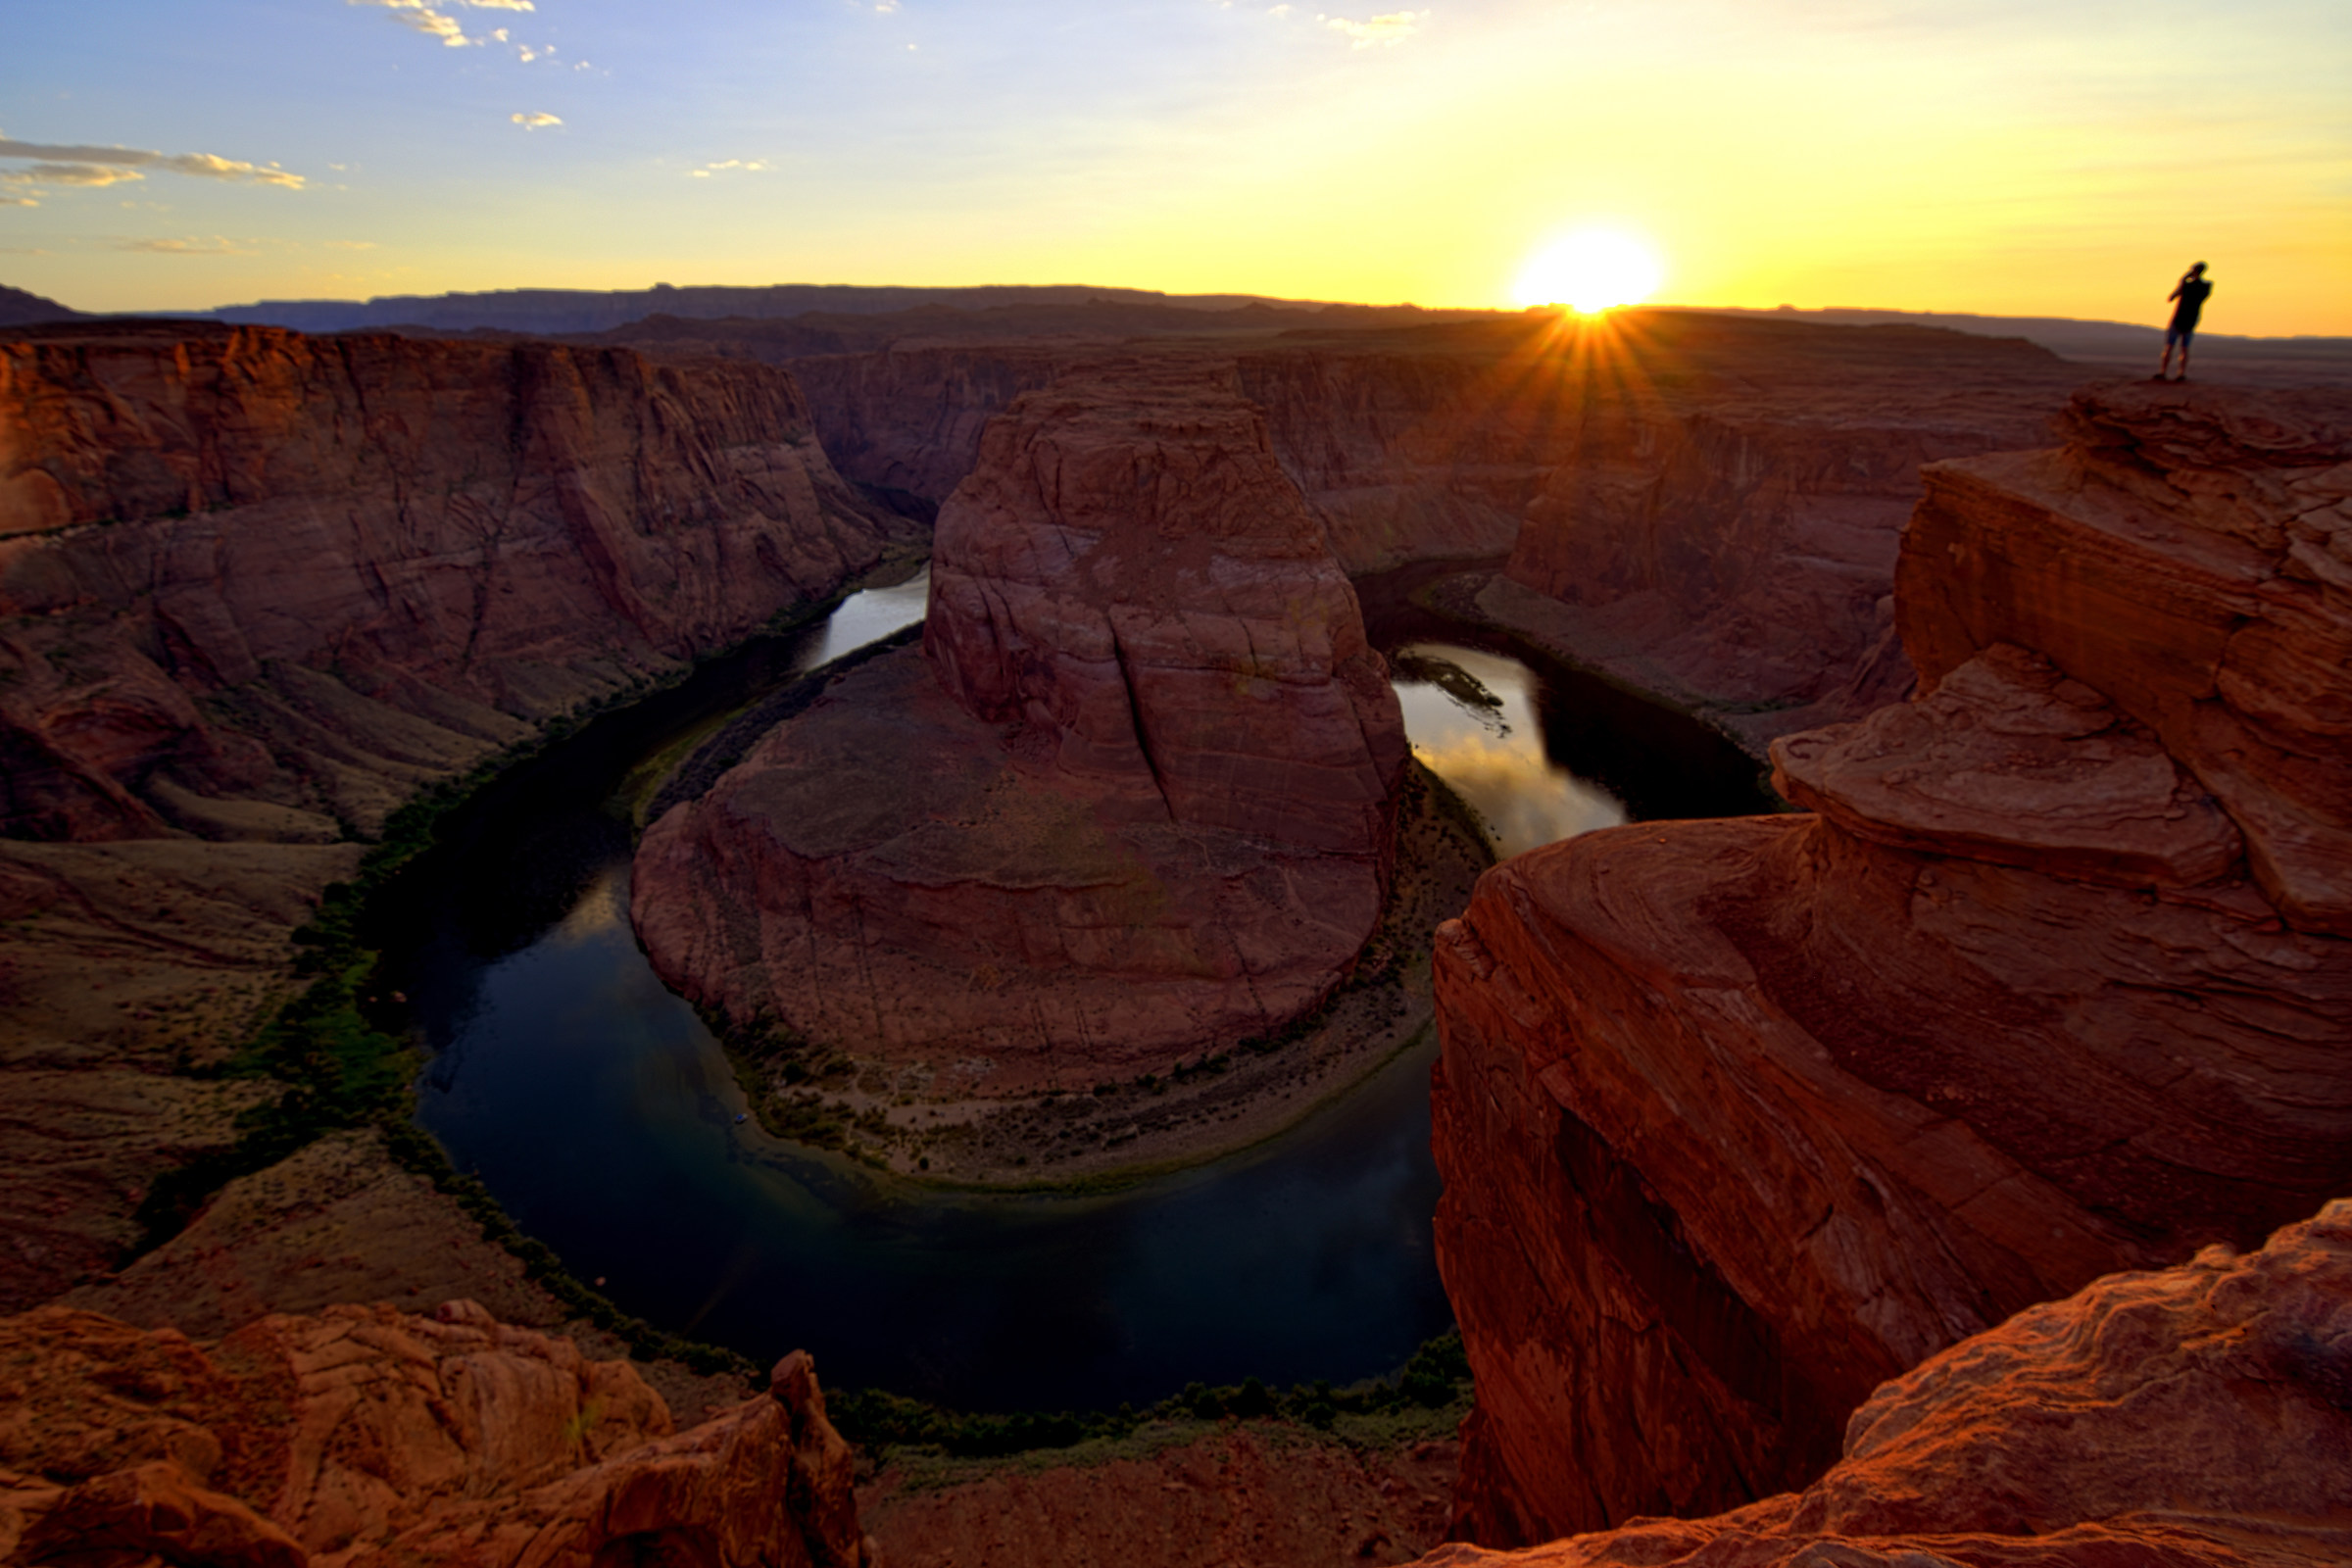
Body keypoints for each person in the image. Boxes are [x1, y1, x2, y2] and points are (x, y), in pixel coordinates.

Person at [2157, 262, 2212, 381]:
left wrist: (2183, 280)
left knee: (2169, 346)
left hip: (2178, 319)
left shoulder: (2186, 286)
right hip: (2192, 320)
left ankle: (2163, 371)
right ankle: (2181, 374)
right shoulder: (2206, 286)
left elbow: (2171, 298)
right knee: (2185, 348)